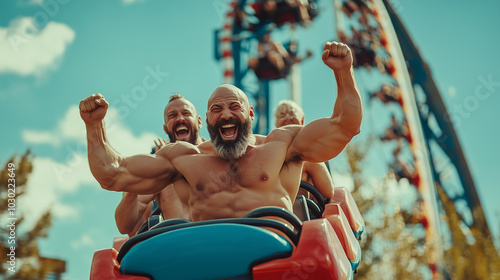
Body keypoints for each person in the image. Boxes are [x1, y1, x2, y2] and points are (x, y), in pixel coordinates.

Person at [79, 41, 362, 233]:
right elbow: (112, 174)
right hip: (208, 261)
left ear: (250, 114)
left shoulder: (281, 144)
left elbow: (343, 126)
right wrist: (94, 127)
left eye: (234, 107)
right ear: (208, 120)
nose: (226, 114)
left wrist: (344, 72)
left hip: (278, 256)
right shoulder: (184, 159)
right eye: (217, 109)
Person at [114, 94, 204, 236]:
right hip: (178, 245)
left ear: (199, 122)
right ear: (165, 128)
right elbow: (124, 226)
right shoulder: (159, 168)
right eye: (172, 116)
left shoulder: (216, 156)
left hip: (217, 238)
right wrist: (132, 186)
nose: (180, 119)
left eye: (186, 113)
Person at [274, 100, 334, 201]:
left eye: (292, 113)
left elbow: (328, 192)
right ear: (277, 124)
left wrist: (304, 160)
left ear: (302, 121)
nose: (288, 117)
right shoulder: (270, 151)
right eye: (282, 115)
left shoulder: (312, 151)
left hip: (307, 210)